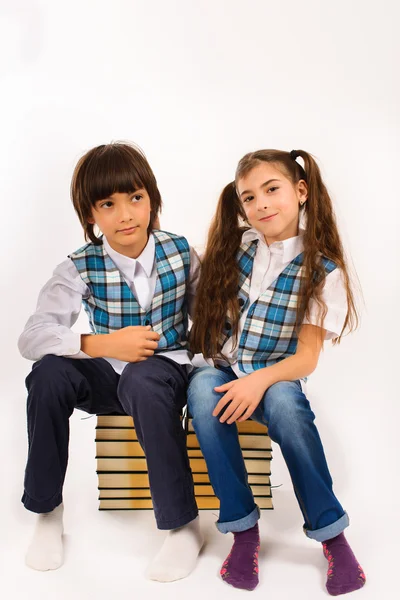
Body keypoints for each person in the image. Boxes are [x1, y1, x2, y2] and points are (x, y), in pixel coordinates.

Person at [18, 141, 203, 581]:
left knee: (142, 377)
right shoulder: (79, 267)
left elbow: (212, 320)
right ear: (90, 215)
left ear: (152, 200)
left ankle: (182, 524)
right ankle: (47, 511)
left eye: (136, 198)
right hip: (108, 377)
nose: (125, 215)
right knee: (46, 374)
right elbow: (32, 337)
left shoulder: (180, 251)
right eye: (108, 204)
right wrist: (102, 345)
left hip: (166, 374)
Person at [187, 149, 366, 595]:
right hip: (224, 369)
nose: (261, 204)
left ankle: (332, 534)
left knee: (287, 406)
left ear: (300, 192)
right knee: (204, 392)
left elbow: (305, 359)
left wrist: (257, 381)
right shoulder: (236, 249)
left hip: (277, 376)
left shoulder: (323, 269)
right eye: (249, 197)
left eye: (272, 190)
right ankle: (244, 530)